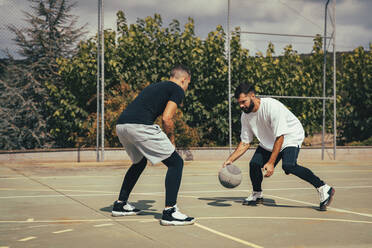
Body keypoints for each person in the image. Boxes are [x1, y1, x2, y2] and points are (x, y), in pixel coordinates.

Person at [223, 83, 335, 211]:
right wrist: (231, 159)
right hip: (270, 140)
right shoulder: (245, 116)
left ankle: (324, 188)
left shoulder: (271, 106)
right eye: (239, 103)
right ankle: (257, 194)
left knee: (289, 165)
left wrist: (271, 163)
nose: (241, 106)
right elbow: (245, 142)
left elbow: (280, 137)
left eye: (244, 101)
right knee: (254, 164)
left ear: (252, 96)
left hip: (290, 135)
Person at [112, 65, 195, 226]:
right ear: (184, 80)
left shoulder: (156, 86)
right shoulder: (177, 89)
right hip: (139, 126)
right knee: (176, 163)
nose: (186, 88)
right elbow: (167, 118)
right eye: (187, 84)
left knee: (139, 162)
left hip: (122, 126)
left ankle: (120, 204)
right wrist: (171, 140)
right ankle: (170, 212)